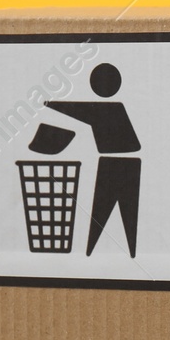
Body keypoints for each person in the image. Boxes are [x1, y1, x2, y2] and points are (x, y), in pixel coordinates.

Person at [46, 62, 142, 257]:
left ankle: (128, 253)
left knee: (112, 213)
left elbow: (81, 111)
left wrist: (49, 104)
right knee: (104, 214)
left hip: (118, 165)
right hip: (118, 163)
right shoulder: (112, 109)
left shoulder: (111, 109)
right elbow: (84, 111)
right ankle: (94, 253)